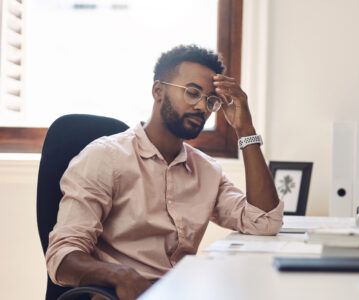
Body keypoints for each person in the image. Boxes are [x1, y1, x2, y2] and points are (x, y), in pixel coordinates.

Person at [46, 45, 284, 300]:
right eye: (192, 93)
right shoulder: (106, 157)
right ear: (158, 91)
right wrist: (121, 276)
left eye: (210, 100)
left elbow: (264, 222)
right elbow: (62, 257)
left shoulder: (207, 170)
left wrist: (245, 129)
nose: (202, 107)